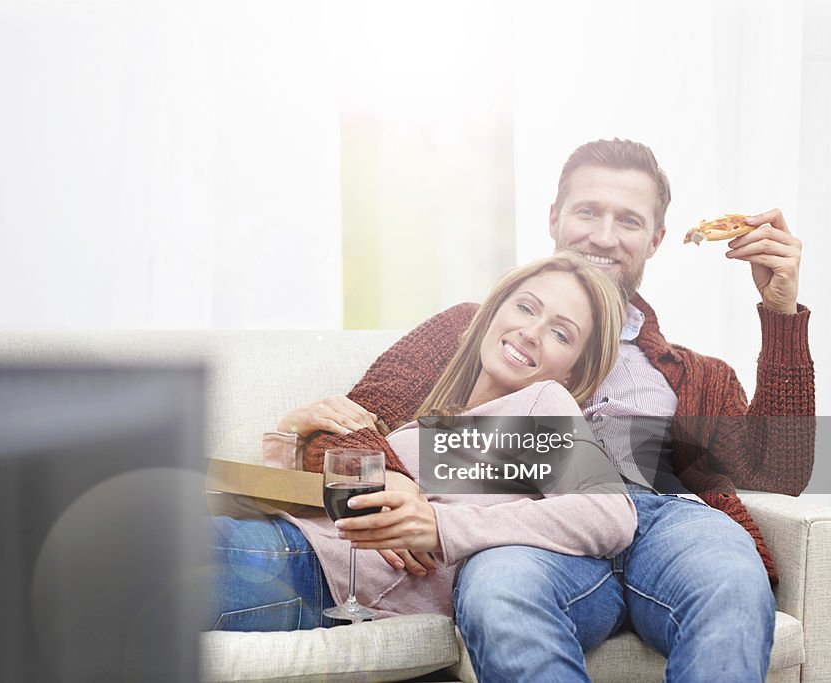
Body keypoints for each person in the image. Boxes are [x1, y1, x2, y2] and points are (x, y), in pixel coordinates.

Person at [300, 139, 813, 681]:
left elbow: (779, 475)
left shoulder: (698, 376)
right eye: (587, 211)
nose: (603, 235)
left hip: (668, 522)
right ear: (554, 217)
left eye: (629, 220)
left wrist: (780, 312)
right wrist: (400, 481)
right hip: (526, 532)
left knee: (731, 585)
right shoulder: (482, 330)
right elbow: (339, 431)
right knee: (498, 594)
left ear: (657, 240)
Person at [207, 251, 634, 631]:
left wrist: (440, 528)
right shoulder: (435, 415)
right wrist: (292, 432)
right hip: (286, 543)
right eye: (525, 308)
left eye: (561, 333)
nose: (531, 331)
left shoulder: (544, 404)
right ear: (492, 313)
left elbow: (608, 513)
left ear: (572, 373)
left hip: (314, 573)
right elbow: (324, 507)